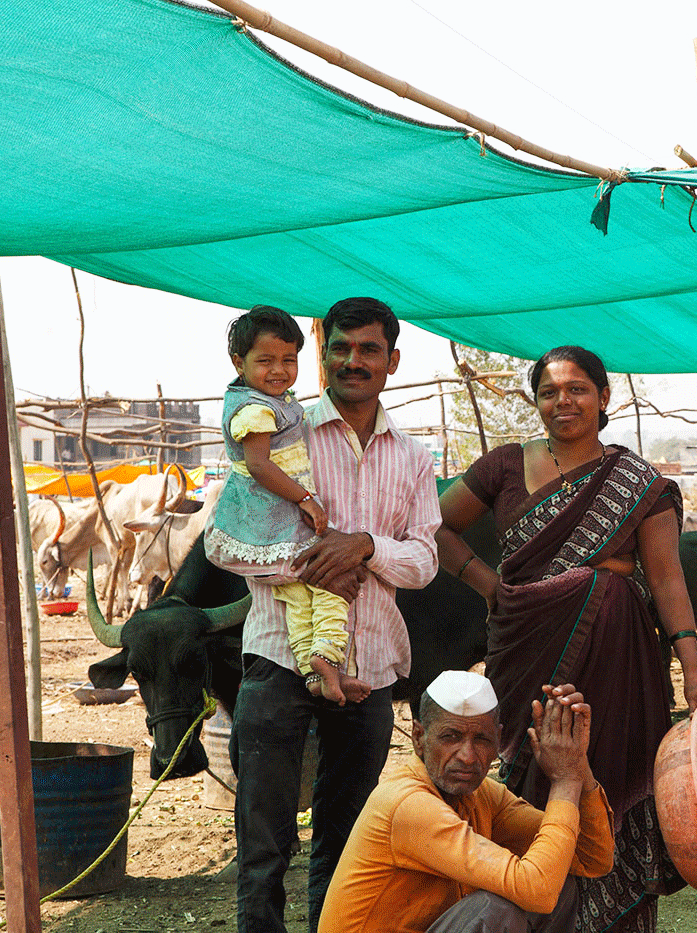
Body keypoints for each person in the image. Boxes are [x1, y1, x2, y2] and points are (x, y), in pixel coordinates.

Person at [435, 345, 697, 933]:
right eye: (548, 392)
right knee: (533, 779)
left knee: (607, 779)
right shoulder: (504, 466)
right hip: (523, 650)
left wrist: (695, 673)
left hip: (616, 655)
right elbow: (433, 527)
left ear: (603, 397)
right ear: (535, 401)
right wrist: (490, 586)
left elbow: (666, 579)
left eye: (577, 389)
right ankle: (536, 911)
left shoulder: (637, 480)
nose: (562, 401)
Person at [220, 297, 441, 933]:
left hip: (369, 665)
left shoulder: (413, 457)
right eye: (340, 348)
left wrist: (365, 546)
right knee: (263, 845)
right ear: (323, 354)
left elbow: (425, 562)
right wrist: (312, 564)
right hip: (278, 657)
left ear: (392, 360)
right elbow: (231, 543)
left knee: (347, 846)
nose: (352, 361)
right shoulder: (276, 431)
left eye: (368, 349)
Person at [319, 671, 614, 933]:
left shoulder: (481, 795)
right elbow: (537, 890)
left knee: (558, 878)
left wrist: (576, 765)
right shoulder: (407, 804)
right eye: (451, 737)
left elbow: (592, 858)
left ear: (498, 740)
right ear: (418, 737)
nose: (468, 756)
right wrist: (565, 783)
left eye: (482, 740)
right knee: (493, 910)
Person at [205, 305, 348, 704]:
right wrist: (307, 499)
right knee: (329, 582)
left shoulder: (269, 400)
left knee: (298, 597)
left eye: (289, 360)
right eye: (265, 361)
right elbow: (259, 465)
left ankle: (314, 672)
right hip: (272, 520)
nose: (279, 370)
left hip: (269, 522)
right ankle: (328, 654)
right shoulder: (254, 408)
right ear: (239, 362)